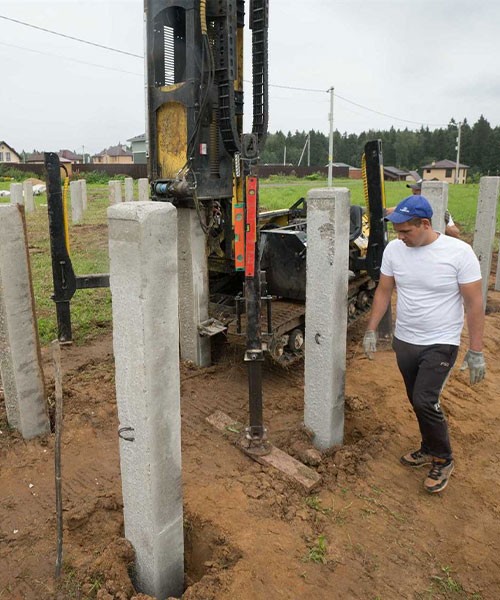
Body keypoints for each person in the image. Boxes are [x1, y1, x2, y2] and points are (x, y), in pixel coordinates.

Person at [363, 195, 485, 494]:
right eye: (397, 231)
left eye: (406, 231)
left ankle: (443, 459)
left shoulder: (459, 253)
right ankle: (427, 446)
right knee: (416, 399)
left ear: (426, 224)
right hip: (405, 340)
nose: (400, 237)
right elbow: (383, 290)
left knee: (424, 400)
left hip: (440, 342)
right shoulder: (395, 250)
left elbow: (473, 303)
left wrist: (476, 350)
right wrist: (371, 329)